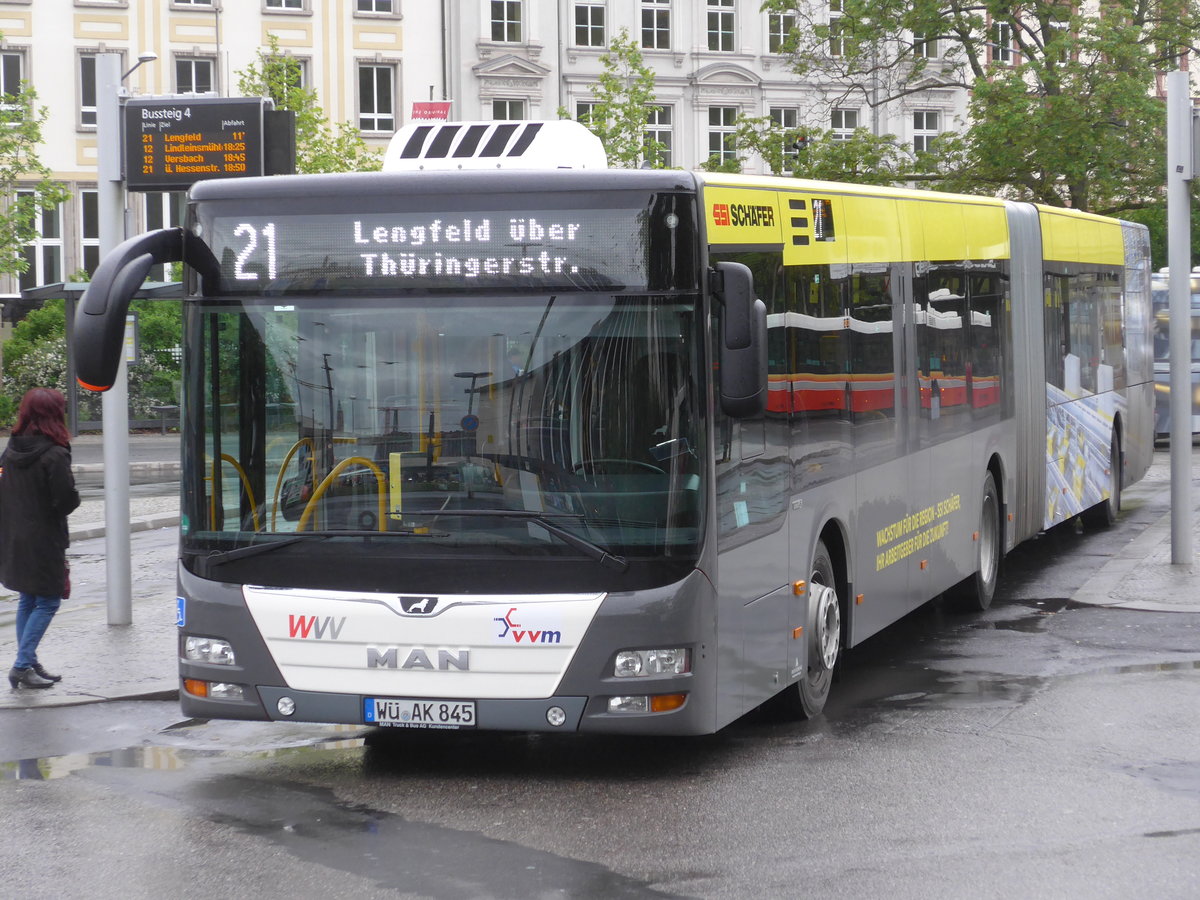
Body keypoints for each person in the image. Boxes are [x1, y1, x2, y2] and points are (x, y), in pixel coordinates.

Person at [1, 388, 80, 690]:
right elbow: (65, 501)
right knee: (48, 600)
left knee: (28, 599)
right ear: (55, 414)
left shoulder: (10, 450)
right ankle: (22, 665)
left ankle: (29, 660)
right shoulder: (55, 454)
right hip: (44, 539)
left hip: (14, 537)